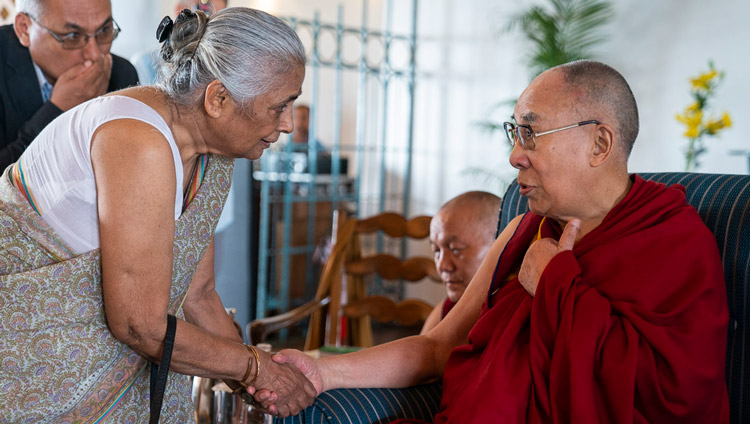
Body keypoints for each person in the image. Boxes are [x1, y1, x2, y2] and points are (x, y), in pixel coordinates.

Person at [264, 60, 730, 422]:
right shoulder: (524, 229)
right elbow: (436, 348)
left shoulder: (676, 244)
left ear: (600, 144)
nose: (513, 156)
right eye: (514, 131)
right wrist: (323, 371)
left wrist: (557, 283)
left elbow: (677, 400)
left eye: (530, 132)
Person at [0, 7, 315, 422]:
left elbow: (199, 296)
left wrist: (256, 383)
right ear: (218, 98)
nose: (290, 124)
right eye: (280, 106)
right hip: (30, 368)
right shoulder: (139, 140)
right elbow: (138, 326)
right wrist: (255, 366)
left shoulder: (207, 152)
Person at [0, 0, 139, 170]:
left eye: (104, 31)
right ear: (24, 28)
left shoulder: (122, 74)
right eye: (72, 36)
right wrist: (56, 111)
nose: (95, 54)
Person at [420, 191, 500, 334]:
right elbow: (419, 352)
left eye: (455, 249)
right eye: (436, 251)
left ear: (498, 245)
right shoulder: (446, 311)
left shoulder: (515, 312)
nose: (442, 266)